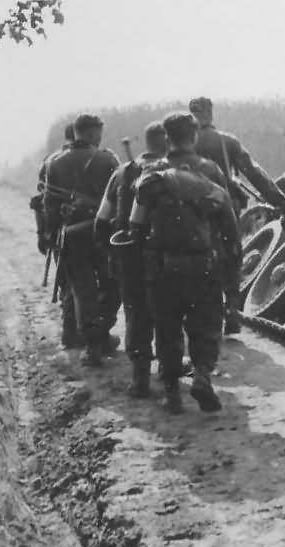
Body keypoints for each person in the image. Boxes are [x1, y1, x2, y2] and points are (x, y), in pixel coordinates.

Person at [129, 112, 240, 413]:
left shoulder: (150, 175)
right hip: (204, 264)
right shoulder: (211, 171)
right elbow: (229, 223)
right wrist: (232, 266)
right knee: (205, 325)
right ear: (193, 136)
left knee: (167, 327)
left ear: (167, 138)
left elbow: (136, 227)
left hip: (163, 266)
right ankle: (202, 375)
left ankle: (170, 392)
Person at [188, 96, 285, 333]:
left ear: (192, 114)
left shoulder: (181, 143)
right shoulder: (227, 142)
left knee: (196, 260)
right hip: (225, 210)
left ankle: (200, 316)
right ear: (211, 113)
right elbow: (254, 173)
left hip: (191, 212)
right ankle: (231, 311)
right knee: (230, 257)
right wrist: (282, 203)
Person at [94, 122, 168, 397]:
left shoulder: (122, 173)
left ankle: (140, 379)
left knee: (136, 315)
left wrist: (110, 252)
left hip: (129, 257)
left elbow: (102, 219)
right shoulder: (172, 173)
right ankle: (168, 372)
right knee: (167, 314)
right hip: (165, 257)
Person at [43, 114, 121, 366]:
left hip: (72, 235)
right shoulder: (108, 158)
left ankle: (93, 345)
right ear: (91, 133)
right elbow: (120, 196)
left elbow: (49, 205)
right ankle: (103, 332)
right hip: (103, 234)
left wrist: (51, 234)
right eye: (98, 132)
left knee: (83, 291)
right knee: (112, 284)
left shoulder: (55, 162)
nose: (100, 137)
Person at [33, 124, 80, 347]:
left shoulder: (51, 160)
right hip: (86, 230)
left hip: (59, 230)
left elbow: (40, 202)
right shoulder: (98, 157)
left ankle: (71, 330)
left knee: (67, 282)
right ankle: (78, 332)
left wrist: (43, 233)